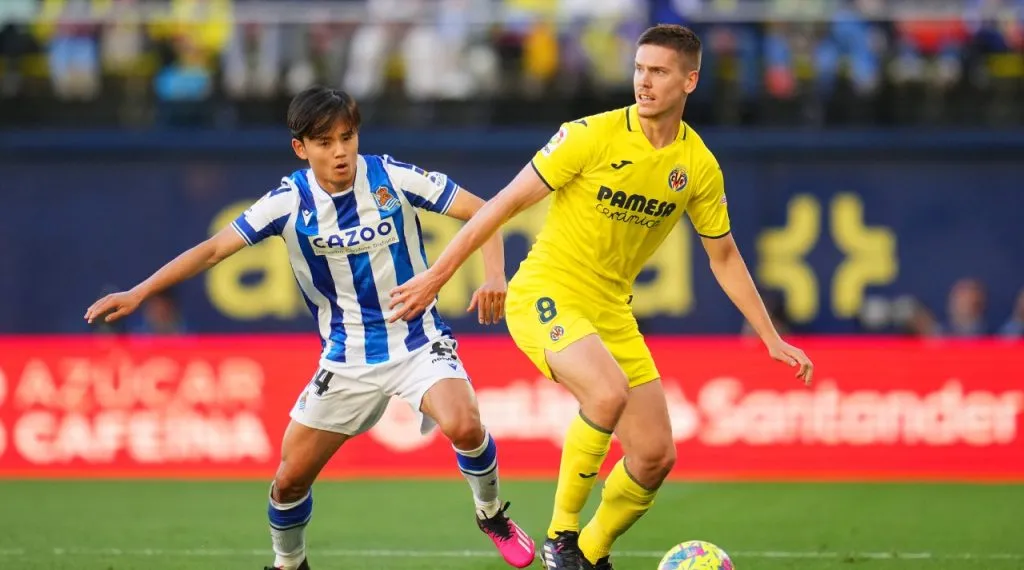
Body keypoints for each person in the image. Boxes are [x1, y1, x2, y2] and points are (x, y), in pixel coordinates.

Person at [388, 24, 814, 570]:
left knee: (656, 455)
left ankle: (588, 555)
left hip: (611, 308)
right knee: (607, 394)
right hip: (546, 292)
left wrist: (770, 337)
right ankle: (561, 538)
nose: (644, 81)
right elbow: (500, 206)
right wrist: (440, 276)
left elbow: (724, 255)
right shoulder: (588, 135)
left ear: (690, 79)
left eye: (659, 72)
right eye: (639, 69)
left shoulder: (698, 167)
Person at [84, 86, 536, 570]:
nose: (340, 151)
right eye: (324, 142)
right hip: (344, 362)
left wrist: (495, 276)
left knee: (465, 422)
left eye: (347, 137)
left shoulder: (391, 177)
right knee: (289, 481)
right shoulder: (286, 202)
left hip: (417, 341)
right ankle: (289, 563)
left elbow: (486, 209)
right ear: (301, 148)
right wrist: (139, 292)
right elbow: (214, 250)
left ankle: (491, 515)